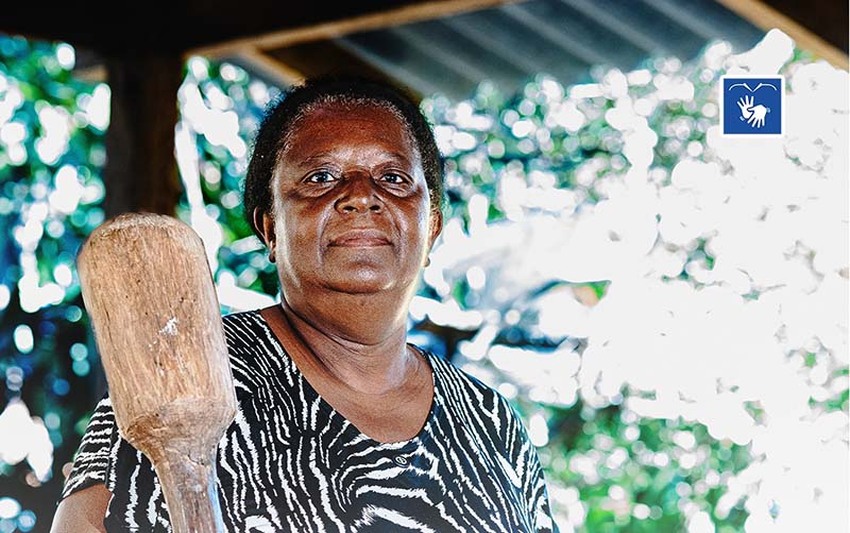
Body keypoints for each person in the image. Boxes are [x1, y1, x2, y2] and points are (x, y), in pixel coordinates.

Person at [51, 74, 558, 532]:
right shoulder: (192, 373)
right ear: (271, 229)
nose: (362, 196)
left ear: (432, 228)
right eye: (321, 178)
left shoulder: (493, 424)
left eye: (394, 178)